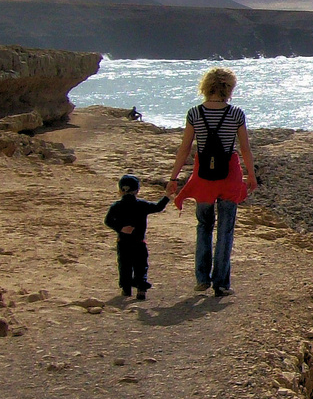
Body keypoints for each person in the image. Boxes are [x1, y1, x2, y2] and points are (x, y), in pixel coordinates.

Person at [166, 67, 258, 297]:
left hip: (204, 177)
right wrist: (251, 174)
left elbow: (185, 148)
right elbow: (244, 147)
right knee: (226, 230)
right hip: (229, 176)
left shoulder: (195, 113)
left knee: (204, 226)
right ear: (229, 88)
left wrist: (174, 177)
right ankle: (221, 283)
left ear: (206, 86)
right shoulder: (236, 114)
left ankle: (201, 278)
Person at [104, 173, 169, 300]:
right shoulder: (141, 205)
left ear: (120, 190)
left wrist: (120, 228)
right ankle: (141, 289)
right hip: (139, 242)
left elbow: (108, 221)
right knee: (141, 266)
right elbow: (158, 207)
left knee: (125, 266)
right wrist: (167, 196)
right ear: (137, 190)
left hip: (123, 242)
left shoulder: (116, 206)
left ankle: (126, 289)